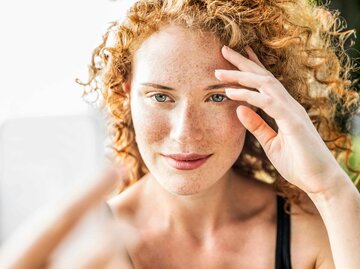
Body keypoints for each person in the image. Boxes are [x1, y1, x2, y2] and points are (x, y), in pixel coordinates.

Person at [1, 0, 359, 268]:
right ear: (125, 95)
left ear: (265, 101)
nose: (185, 133)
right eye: (160, 96)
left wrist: (331, 189)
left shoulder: (316, 233)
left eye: (217, 96)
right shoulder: (84, 246)